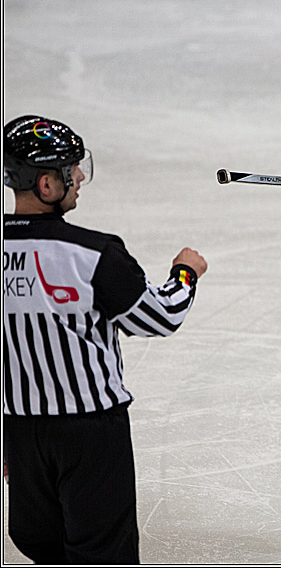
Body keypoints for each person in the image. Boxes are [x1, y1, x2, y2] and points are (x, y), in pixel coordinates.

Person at [3, 115, 207, 564]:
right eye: (70, 170)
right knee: (104, 553)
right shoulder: (93, 254)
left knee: (43, 546)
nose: (79, 178)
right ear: (45, 184)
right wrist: (185, 273)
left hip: (19, 430)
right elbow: (160, 315)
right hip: (91, 433)